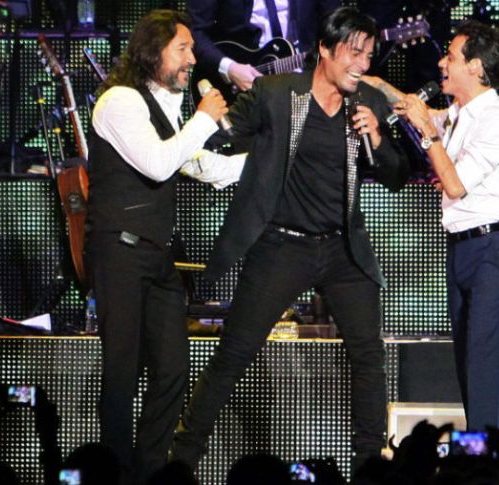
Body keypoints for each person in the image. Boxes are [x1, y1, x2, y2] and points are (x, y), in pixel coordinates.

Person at [170, 6, 410, 471]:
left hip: (342, 248)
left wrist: (378, 140)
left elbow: (399, 174)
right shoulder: (277, 94)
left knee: (368, 357)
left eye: (368, 55)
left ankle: (370, 469)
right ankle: (180, 461)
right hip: (282, 245)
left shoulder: (368, 106)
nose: (361, 64)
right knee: (234, 354)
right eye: (352, 53)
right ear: (324, 49)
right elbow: (221, 138)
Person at [84, 9, 245, 484]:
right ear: (154, 51)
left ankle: (150, 469)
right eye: (184, 49)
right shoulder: (119, 102)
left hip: (156, 256)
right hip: (119, 252)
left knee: (173, 369)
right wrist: (201, 118)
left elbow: (201, 166)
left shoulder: (169, 111)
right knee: (123, 371)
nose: (193, 60)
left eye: (193, 49)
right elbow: (157, 164)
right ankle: (113, 470)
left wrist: (267, 165)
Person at [395, 19, 499, 432]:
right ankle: (494, 458)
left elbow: (454, 184)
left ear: (476, 67)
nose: (441, 62)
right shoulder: (458, 113)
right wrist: (370, 80)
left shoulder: (498, 119)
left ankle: (489, 463)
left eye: (450, 56)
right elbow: (415, 109)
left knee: (483, 371)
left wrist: (428, 134)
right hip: (460, 248)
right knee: (469, 371)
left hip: (490, 250)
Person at [187, 0, 339, 93]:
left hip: (306, 77)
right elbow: (196, 31)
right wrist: (229, 68)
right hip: (244, 83)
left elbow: (336, 24)